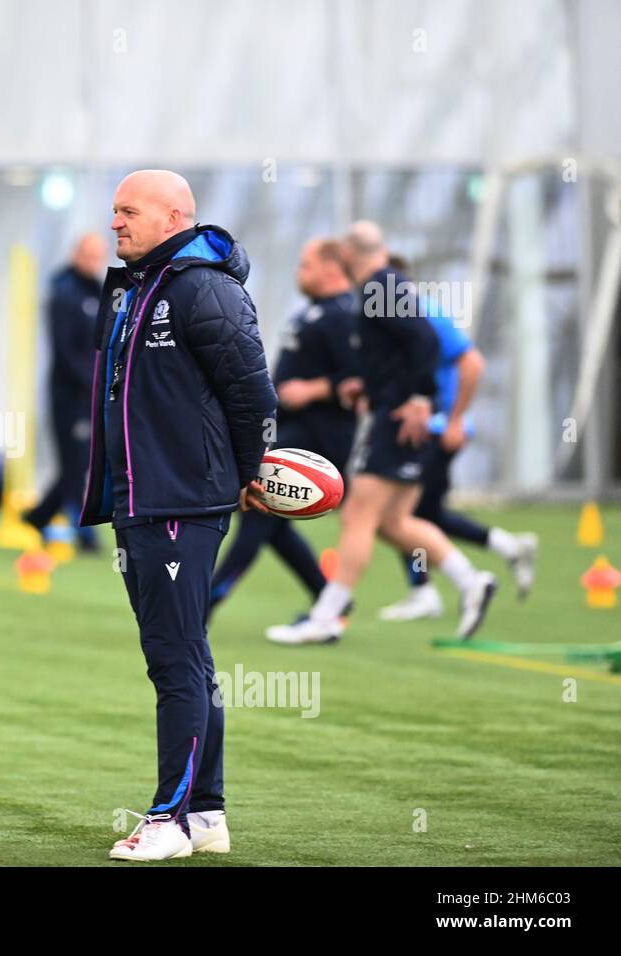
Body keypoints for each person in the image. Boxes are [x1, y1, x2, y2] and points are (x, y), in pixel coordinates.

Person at [78, 170, 275, 861]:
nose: (115, 223)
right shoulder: (138, 287)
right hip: (142, 497)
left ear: (173, 214)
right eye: (113, 211)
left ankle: (170, 819)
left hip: (181, 500)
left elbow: (251, 390)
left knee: (174, 659)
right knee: (187, 651)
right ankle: (208, 812)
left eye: (127, 211)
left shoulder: (204, 289)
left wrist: (253, 471)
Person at [265, 222, 498, 645]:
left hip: (399, 422)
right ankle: (471, 581)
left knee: (357, 516)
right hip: (399, 413)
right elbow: (398, 353)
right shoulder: (383, 287)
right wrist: (364, 386)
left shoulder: (379, 286)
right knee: (394, 522)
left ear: (348, 256)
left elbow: (424, 340)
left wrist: (421, 398)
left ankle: (326, 616)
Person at [378, 254, 536, 621]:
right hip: (417, 431)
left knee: (399, 516)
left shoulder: (423, 312)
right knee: (423, 514)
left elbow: (472, 362)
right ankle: (505, 547)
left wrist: (454, 420)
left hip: (432, 432)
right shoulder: (391, 321)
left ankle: (445, 587)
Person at [209, 238, 359, 616]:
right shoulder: (314, 312)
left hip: (319, 437)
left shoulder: (345, 315)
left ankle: (207, 600)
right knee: (271, 519)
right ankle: (329, 600)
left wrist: (313, 389)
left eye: (305, 265)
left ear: (330, 268)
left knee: (259, 512)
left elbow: (361, 375)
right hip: (291, 430)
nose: (298, 273)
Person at [23, 233, 108, 552]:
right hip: (69, 395)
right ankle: (81, 530)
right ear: (76, 253)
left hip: (93, 394)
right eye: (87, 255)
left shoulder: (100, 292)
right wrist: (91, 381)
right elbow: (64, 350)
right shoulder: (63, 293)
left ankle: (39, 517)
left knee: (83, 462)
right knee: (76, 464)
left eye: (97, 256)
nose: (92, 262)